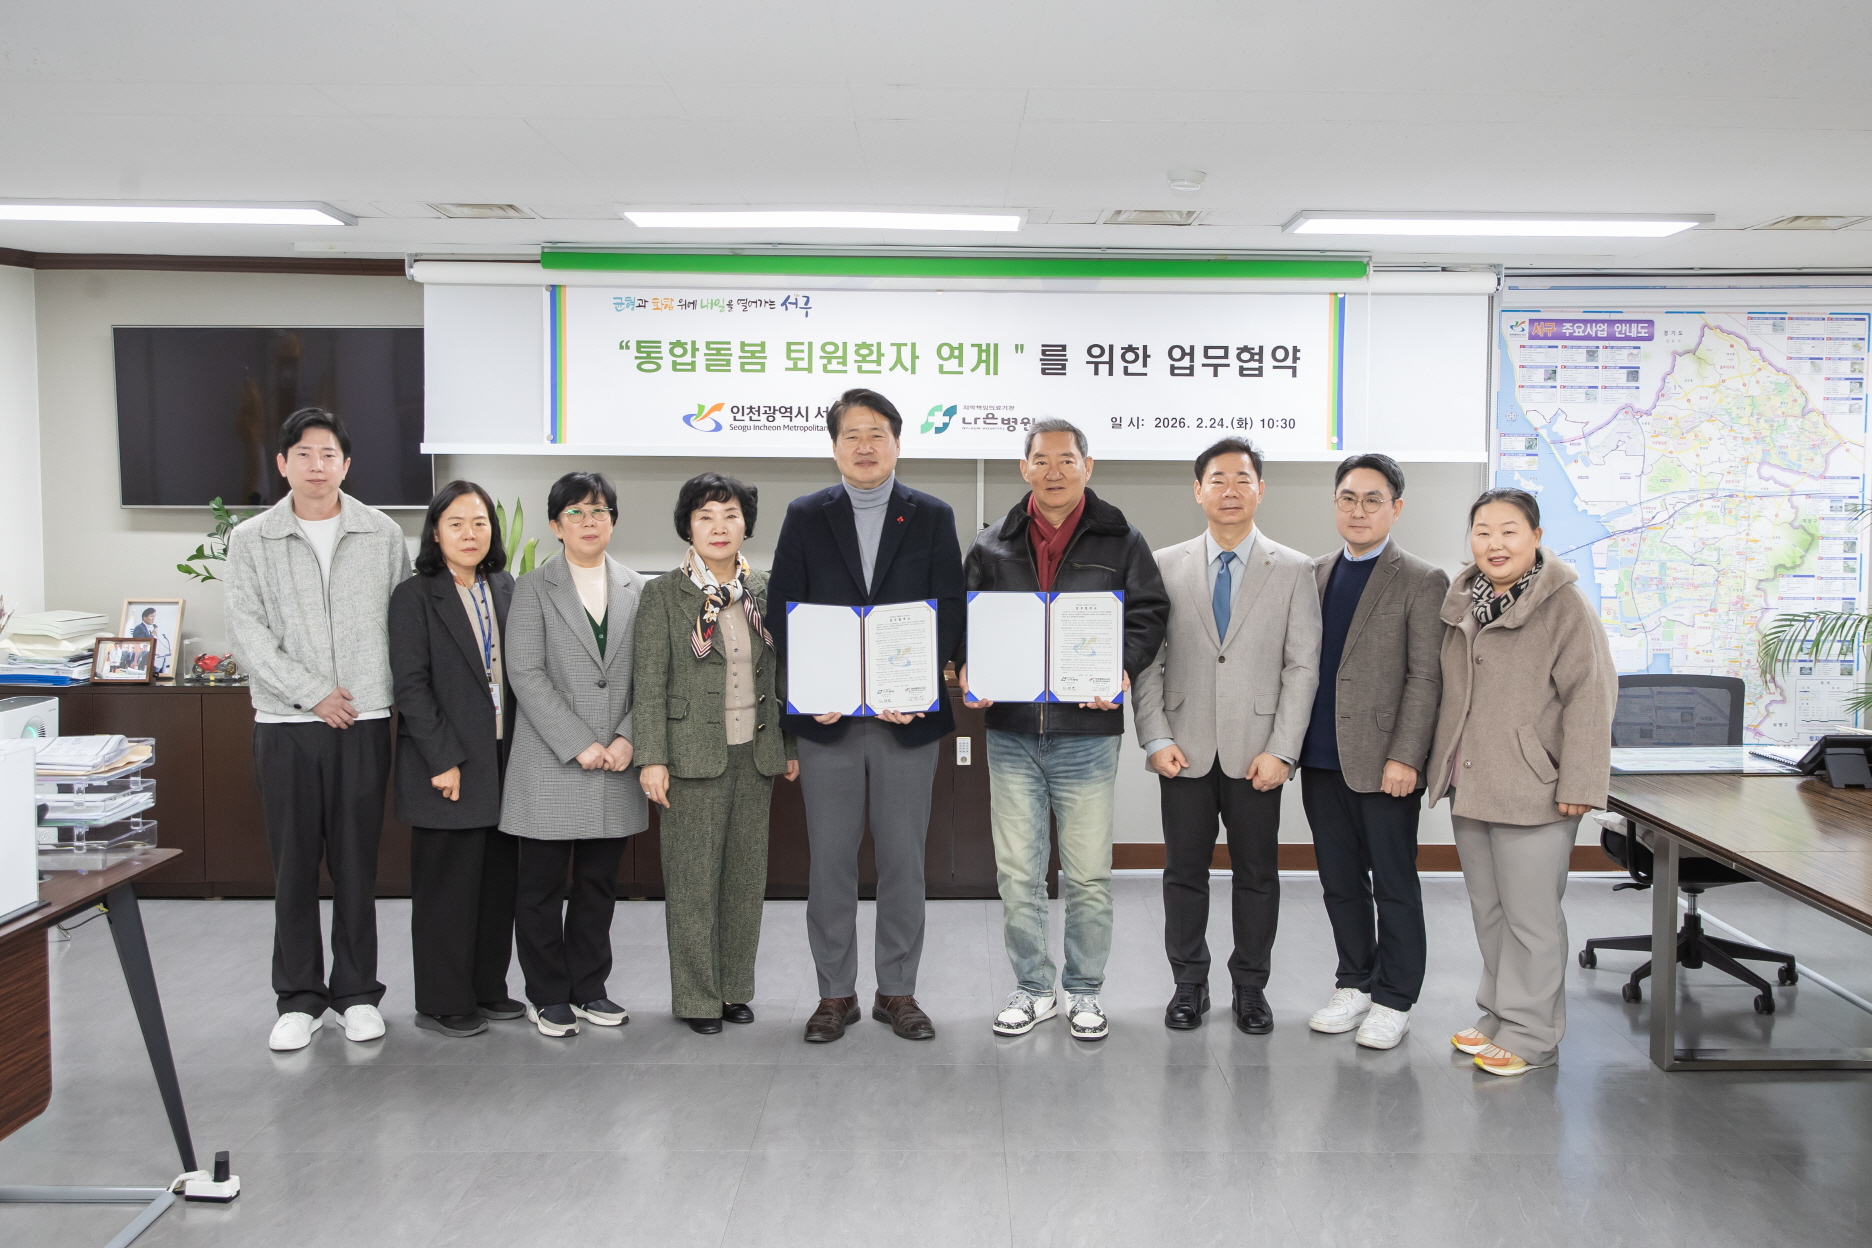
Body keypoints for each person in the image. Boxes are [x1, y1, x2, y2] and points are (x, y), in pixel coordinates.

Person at [960, 419, 1169, 1041]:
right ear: (1024, 467)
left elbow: (1149, 612)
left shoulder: (1122, 539)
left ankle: (1084, 991)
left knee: (1088, 875)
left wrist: (1122, 665)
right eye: (1042, 460)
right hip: (1012, 731)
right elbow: (966, 620)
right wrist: (967, 665)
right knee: (1018, 873)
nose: (1054, 471)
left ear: (1087, 466)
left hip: (1087, 731)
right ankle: (1033, 989)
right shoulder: (992, 543)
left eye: (1066, 460)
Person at [767, 388, 965, 1044]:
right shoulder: (805, 515)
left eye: (877, 433)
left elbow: (949, 607)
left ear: (898, 443)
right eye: (851, 434)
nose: (865, 445)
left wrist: (920, 686)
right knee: (830, 860)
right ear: (834, 447)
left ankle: (897, 991)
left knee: (905, 858)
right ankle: (835, 994)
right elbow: (784, 608)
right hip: (828, 722)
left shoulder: (932, 515)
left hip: (907, 720)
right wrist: (811, 685)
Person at [224, 406, 411, 1053]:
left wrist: (360, 697)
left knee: (358, 865)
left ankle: (357, 994)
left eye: (328, 454)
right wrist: (312, 694)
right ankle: (299, 999)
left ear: (346, 464)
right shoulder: (252, 539)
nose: (316, 465)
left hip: (363, 718)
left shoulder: (381, 533)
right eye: (302, 454)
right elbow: (247, 634)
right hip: (286, 724)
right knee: (294, 866)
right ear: (282, 464)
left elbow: (403, 623)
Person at [1133, 436, 1321, 1034]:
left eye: (1243, 479)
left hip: (1259, 753)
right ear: (1198, 490)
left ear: (1261, 489)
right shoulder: (1163, 565)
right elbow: (1148, 660)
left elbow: (1302, 667)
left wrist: (1283, 749)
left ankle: (1250, 987)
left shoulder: (1294, 569)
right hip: (1182, 748)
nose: (1231, 490)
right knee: (1183, 873)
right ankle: (1188, 984)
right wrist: (1155, 736)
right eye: (1218, 479)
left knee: (1257, 875)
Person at [1426, 488, 1616, 1076]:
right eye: (1483, 531)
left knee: (1531, 918)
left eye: (1509, 531)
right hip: (1472, 780)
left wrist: (1580, 780)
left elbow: (1592, 696)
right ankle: (1500, 1014)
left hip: (1536, 786)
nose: (1495, 543)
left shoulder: (1565, 606)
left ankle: (1533, 1034)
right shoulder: (1465, 601)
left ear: (1535, 537)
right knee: (1490, 910)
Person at [634, 473, 798, 1034]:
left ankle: (733, 990)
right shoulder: (663, 594)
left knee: (745, 882)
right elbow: (648, 684)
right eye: (705, 516)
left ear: (746, 525)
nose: (719, 526)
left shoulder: (765, 590)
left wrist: (789, 744)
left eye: (730, 515)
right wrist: (652, 757)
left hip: (755, 754)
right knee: (692, 885)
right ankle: (697, 998)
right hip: (689, 757)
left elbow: (782, 673)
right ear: (688, 526)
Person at [1297, 454, 1449, 1050]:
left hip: (1386, 761)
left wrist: (1407, 756)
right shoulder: (1314, 572)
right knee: (1339, 881)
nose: (1358, 510)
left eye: (1372, 499)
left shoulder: (1421, 579)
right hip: (1319, 755)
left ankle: (1395, 998)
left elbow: (1425, 677)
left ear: (1396, 508)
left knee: (1393, 883)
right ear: (1335, 503)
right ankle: (1354, 983)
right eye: (1348, 498)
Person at [498, 472, 648, 1039]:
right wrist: (578, 742)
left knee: (597, 887)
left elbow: (651, 676)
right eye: (576, 513)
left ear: (613, 520)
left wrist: (627, 737)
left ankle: (590, 988)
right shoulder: (532, 587)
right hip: (551, 762)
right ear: (555, 525)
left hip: (616, 762)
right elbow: (525, 673)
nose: (589, 521)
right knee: (539, 889)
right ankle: (546, 994)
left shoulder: (639, 588)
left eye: (599, 511)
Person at [388, 480, 521, 1039]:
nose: (470, 534)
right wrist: (442, 759)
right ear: (436, 533)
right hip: (447, 764)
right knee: (447, 891)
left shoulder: (506, 587)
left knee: (496, 885)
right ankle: (443, 1001)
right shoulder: (415, 596)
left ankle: (488, 987)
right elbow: (411, 688)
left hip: (503, 759)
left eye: (480, 522)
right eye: (457, 523)